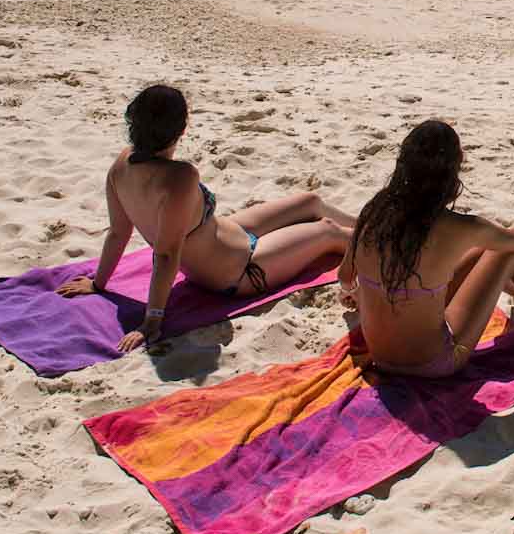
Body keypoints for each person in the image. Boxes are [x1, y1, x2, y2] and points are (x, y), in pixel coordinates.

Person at [56, 84, 356, 352]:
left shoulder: (121, 165)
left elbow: (118, 234)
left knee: (310, 201)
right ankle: (385, 241)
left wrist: (99, 284)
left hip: (229, 233)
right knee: (327, 231)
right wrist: (152, 320)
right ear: (182, 130)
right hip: (241, 271)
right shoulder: (180, 178)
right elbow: (165, 254)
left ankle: (372, 223)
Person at [341, 118, 514, 378]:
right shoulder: (457, 226)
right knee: (507, 253)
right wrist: (509, 229)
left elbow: (344, 276)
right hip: (433, 364)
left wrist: (361, 292)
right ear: (452, 170)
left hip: (379, 356)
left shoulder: (373, 211)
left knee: (479, 254)